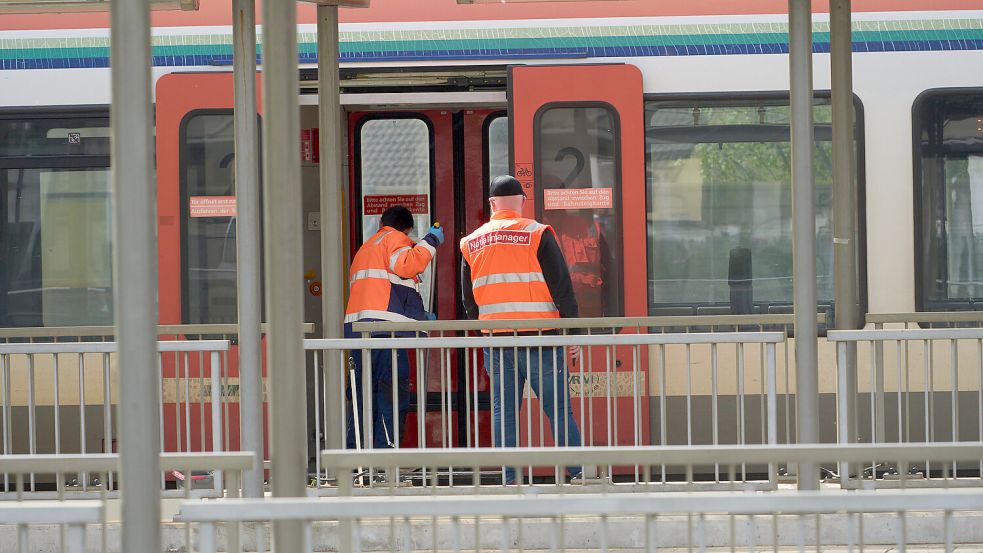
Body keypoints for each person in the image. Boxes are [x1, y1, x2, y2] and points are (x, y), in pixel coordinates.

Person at [459, 175, 583, 484]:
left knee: (505, 412)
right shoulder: (537, 233)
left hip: (498, 341)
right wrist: (573, 334)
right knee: (558, 410)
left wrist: (484, 331)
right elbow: (562, 288)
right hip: (541, 337)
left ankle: (510, 479)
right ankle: (579, 474)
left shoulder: (471, 242)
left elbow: (468, 300)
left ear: (491, 204)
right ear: (523, 203)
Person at [345, 205, 444, 450]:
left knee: (362, 399)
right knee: (391, 397)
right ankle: (385, 464)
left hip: (359, 336)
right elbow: (406, 267)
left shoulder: (366, 248)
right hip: (387, 335)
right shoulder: (396, 238)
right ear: (406, 228)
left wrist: (419, 317)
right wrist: (430, 241)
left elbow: (386, 290)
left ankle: (357, 461)